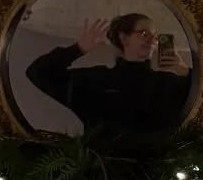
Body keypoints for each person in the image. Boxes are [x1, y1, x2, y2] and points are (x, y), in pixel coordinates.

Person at [25, 12, 193, 135]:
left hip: (160, 172)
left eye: (155, 36)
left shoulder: (166, 82)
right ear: (124, 38)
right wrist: (77, 49)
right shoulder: (96, 79)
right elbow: (37, 72)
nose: (151, 40)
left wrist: (185, 72)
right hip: (99, 174)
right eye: (144, 33)